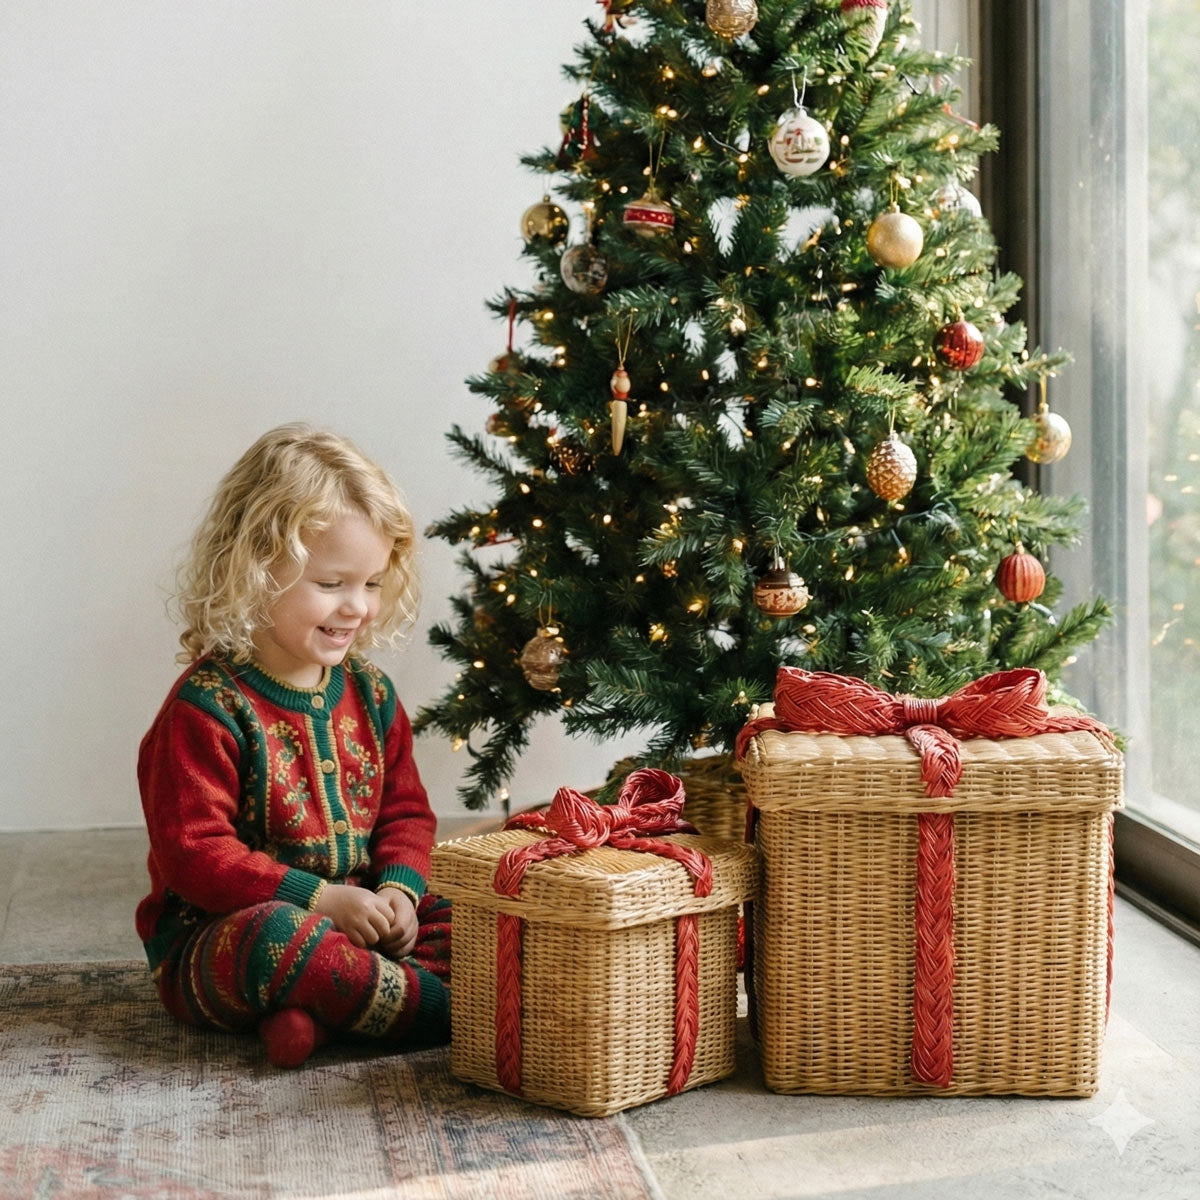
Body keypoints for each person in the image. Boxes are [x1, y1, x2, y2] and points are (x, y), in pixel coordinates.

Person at [135, 423, 450, 1068]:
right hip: (221, 937)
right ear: (252, 571)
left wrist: (398, 894)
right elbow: (195, 855)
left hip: (361, 917)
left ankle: (320, 1014)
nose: (358, 607)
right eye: (332, 584)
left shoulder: (371, 693)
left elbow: (406, 813)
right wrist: (321, 901)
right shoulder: (208, 709)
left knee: (472, 915)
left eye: (371, 583)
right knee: (275, 940)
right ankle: (437, 1011)